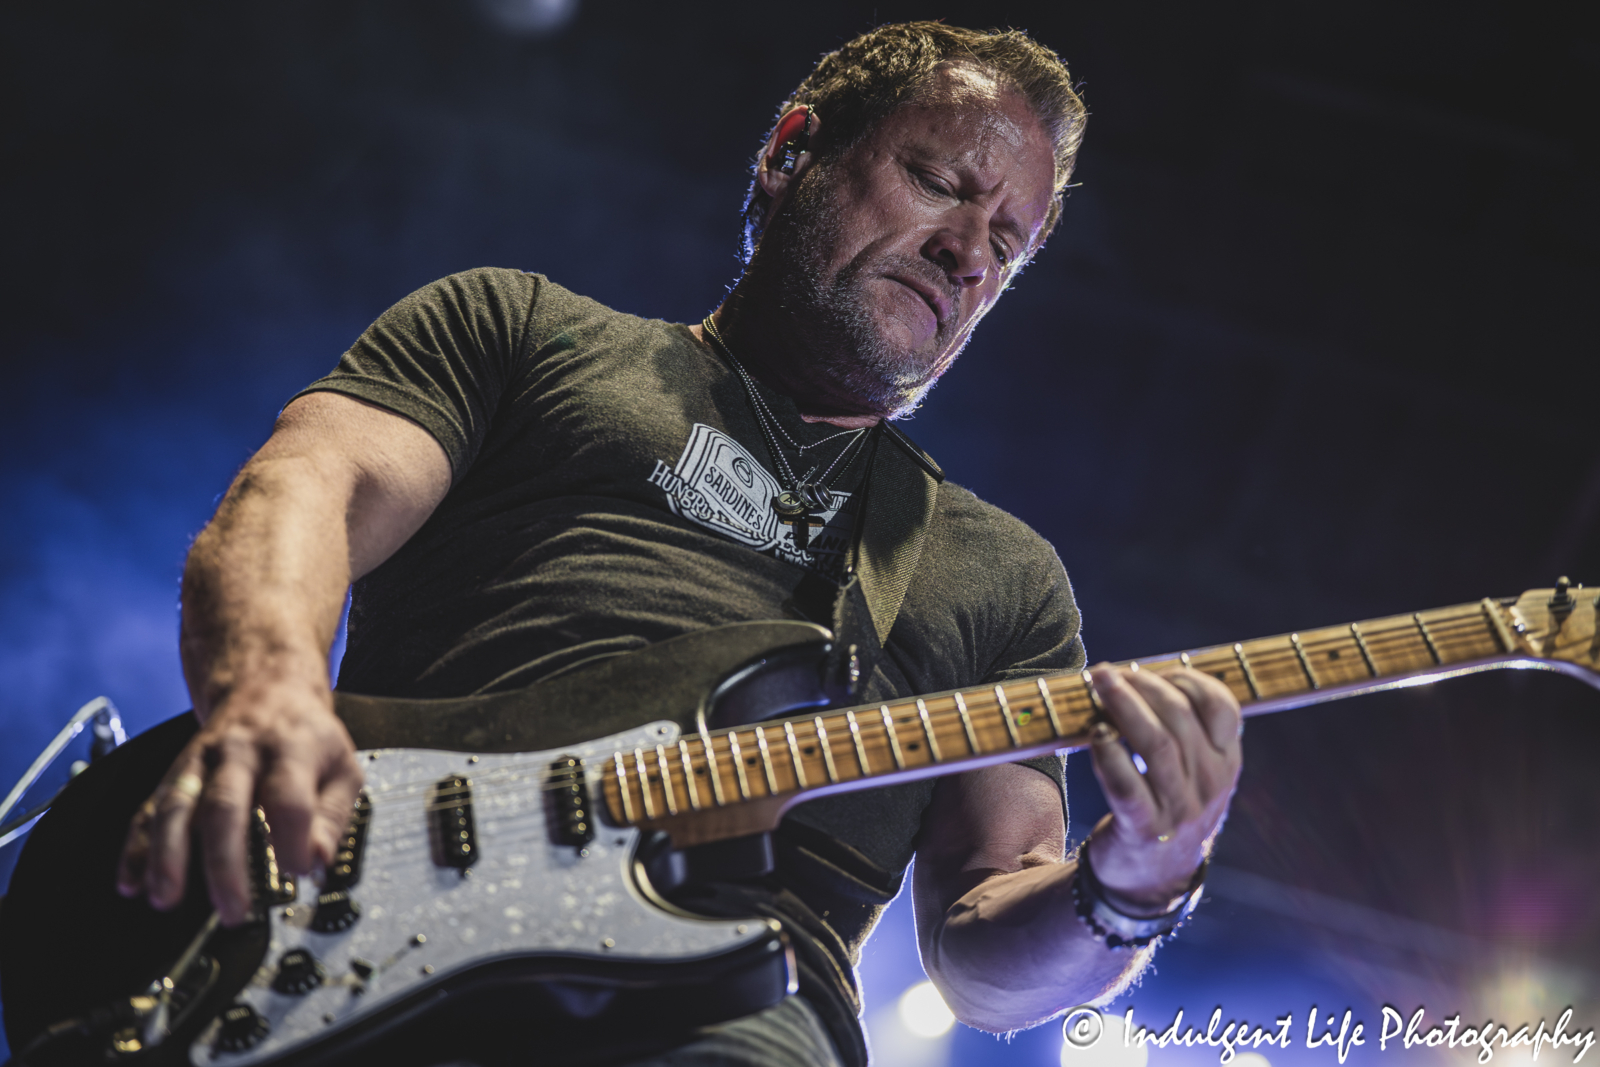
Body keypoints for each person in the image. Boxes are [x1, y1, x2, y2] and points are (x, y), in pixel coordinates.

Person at [115, 22, 1242, 1067]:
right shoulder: (520, 332)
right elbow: (309, 482)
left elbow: (985, 962)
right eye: (939, 183)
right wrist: (267, 688)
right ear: (792, 151)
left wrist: (1137, 881)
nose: (966, 255)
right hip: (372, 915)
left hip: (732, 1011)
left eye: (1007, 241)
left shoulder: (1001, 575)